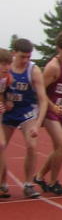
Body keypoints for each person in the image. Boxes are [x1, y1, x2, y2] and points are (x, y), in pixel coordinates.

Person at [2, 39, 49, 198]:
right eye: (22, 57)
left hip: (26, 111)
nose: (25, 60)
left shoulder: (33, 70)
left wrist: (37, 123)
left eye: (28, 57)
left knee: (31, 145)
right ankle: (2, 184)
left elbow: (43, 99)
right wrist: (3, 101)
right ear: (14, 53)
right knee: (1, 147)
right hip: (7, 112)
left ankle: (28, 184)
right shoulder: (5, 68)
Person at [33, 32, 62, 195]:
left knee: (59, 149)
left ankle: (39, 176)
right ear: (58, 49)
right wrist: (51, 106)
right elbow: (39, 91)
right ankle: (53, 182)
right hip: (50, 111)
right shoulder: (53, 67)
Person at [0, 49, 14, 198]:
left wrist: (7, 100)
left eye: (8, 64)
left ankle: (2, 183)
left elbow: (4, 94)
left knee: (1, 145)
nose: (6, 67)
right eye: (3, 64)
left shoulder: (7, 79)